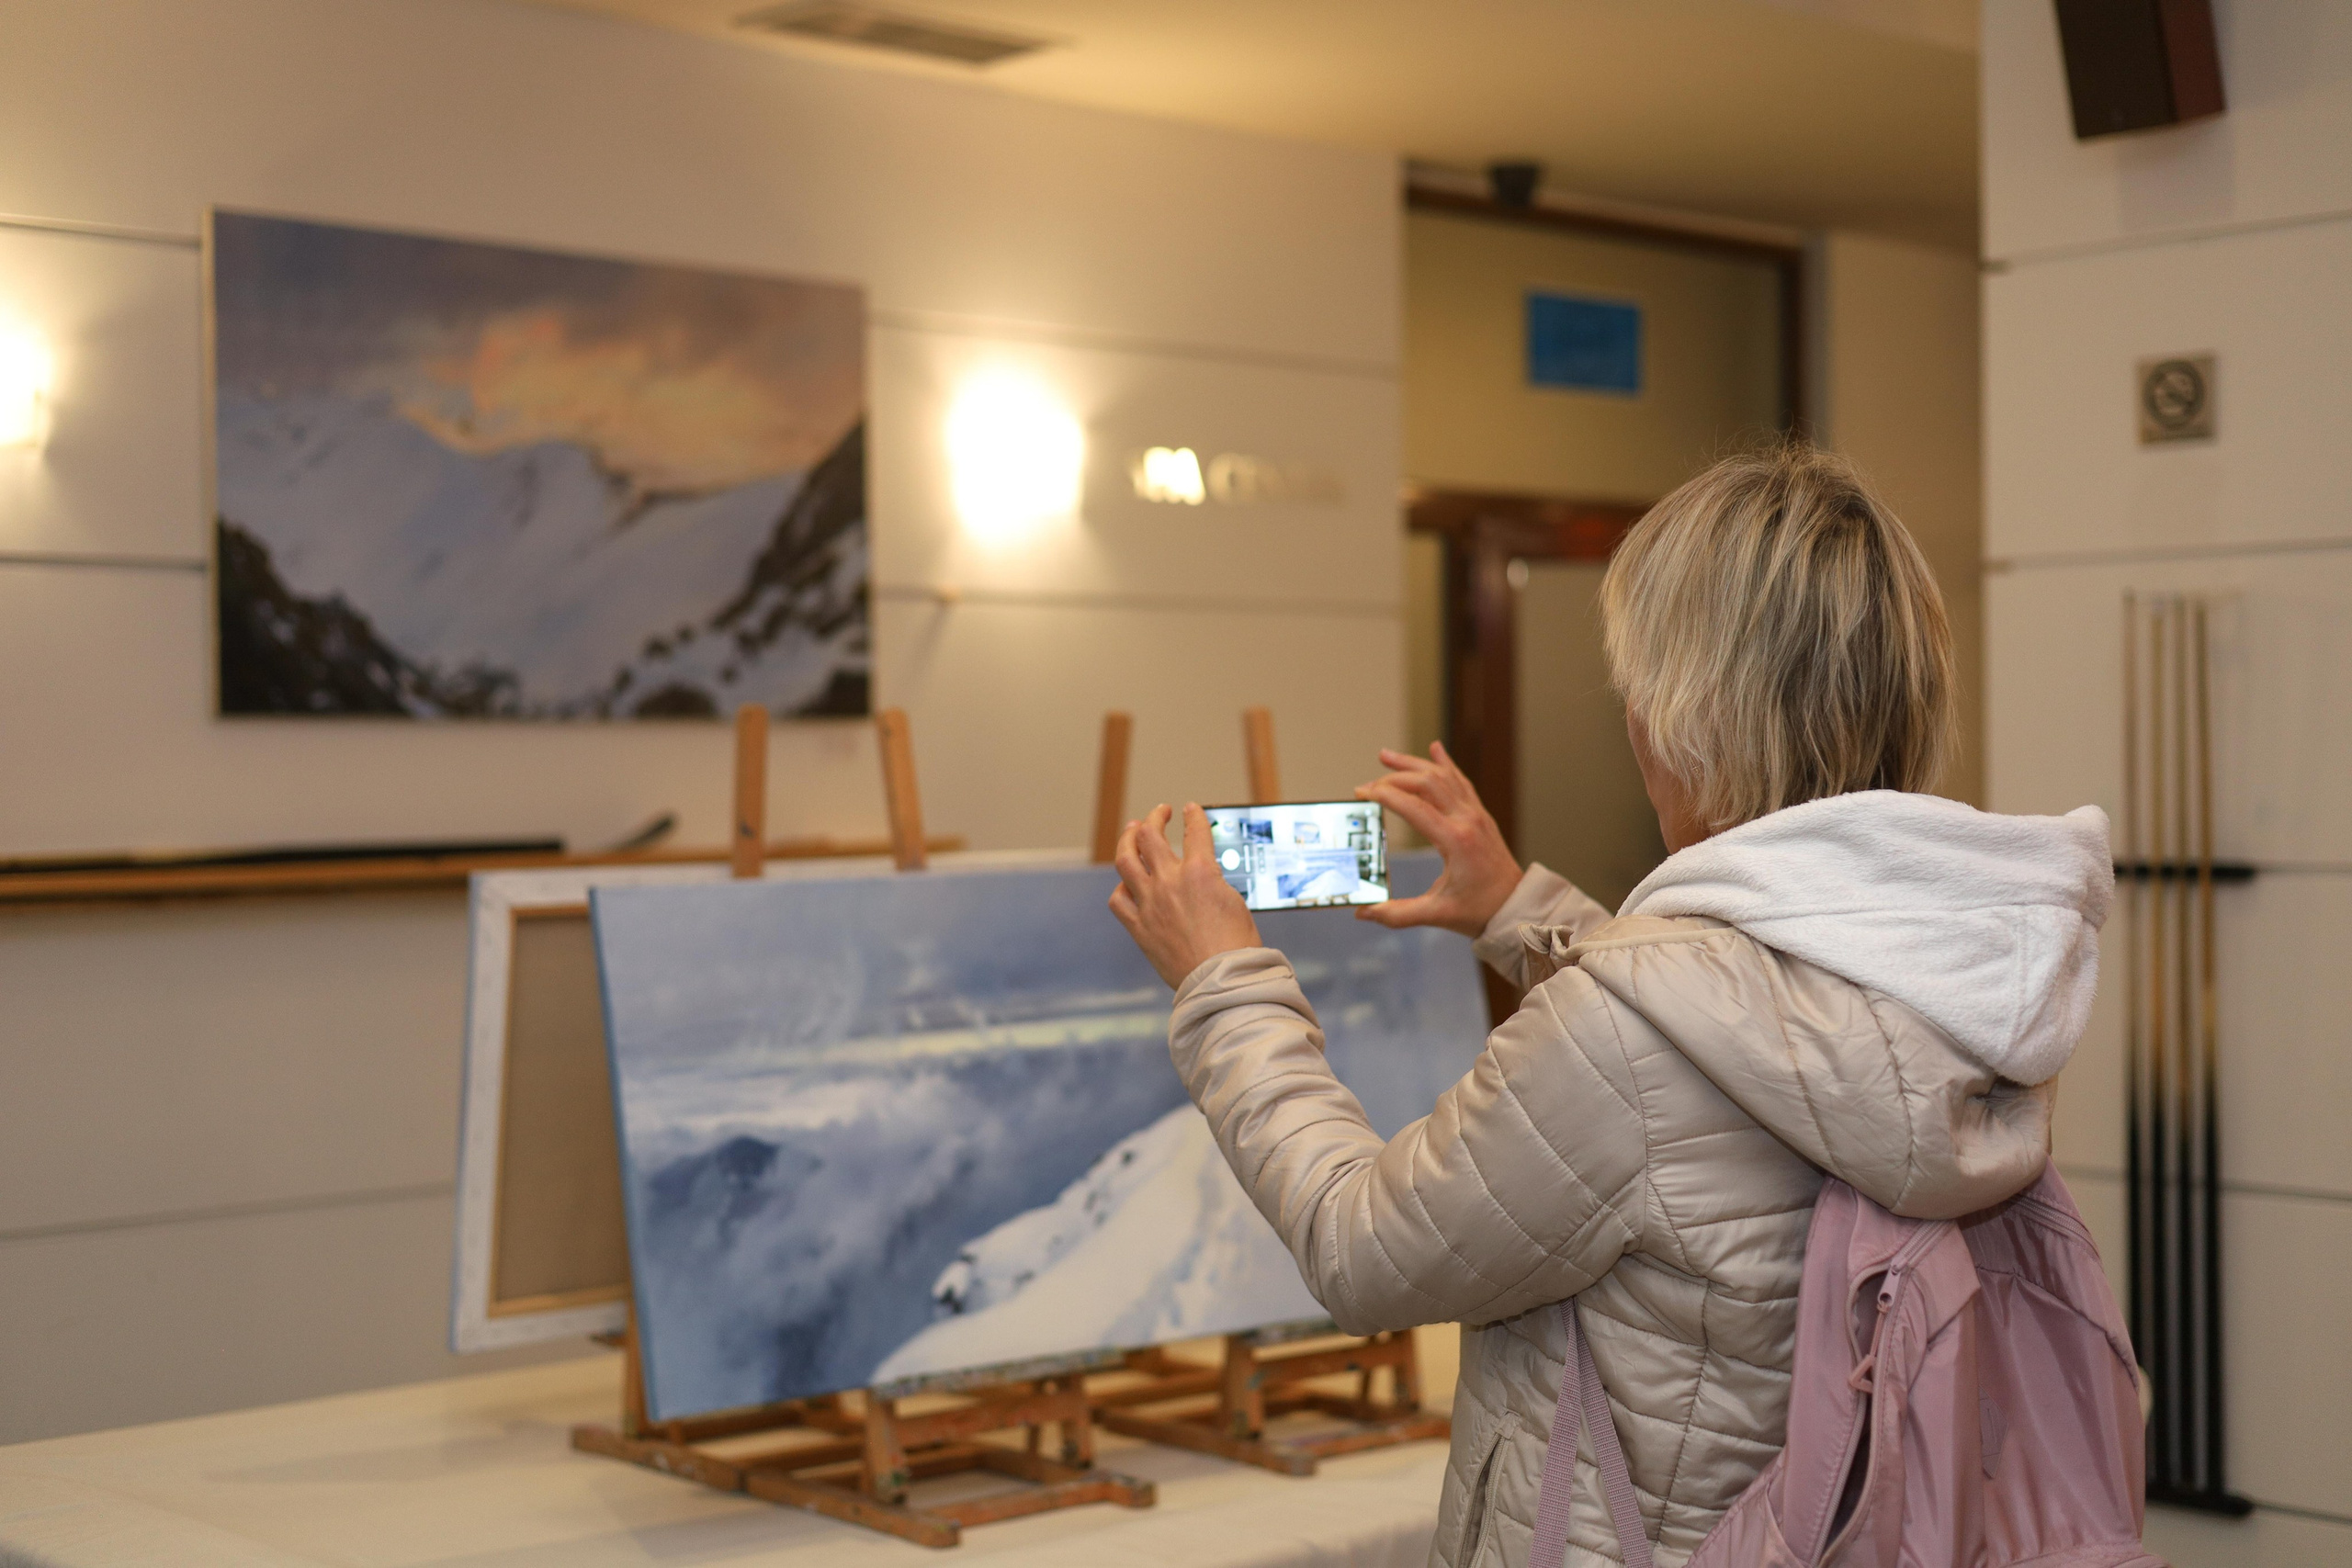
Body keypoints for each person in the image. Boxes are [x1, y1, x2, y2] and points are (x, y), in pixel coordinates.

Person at [1109, 445, 2112, 1568]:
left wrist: (1223, 981)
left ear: (1684, 716)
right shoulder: (1951, 967)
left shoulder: (1619, 1038)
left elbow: (1362, 1251)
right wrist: (1517, 908)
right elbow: (1746, 1029)